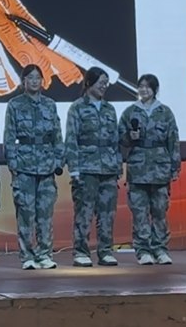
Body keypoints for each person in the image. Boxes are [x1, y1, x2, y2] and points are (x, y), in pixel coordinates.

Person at [4, 64, 64, 270]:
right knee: (26, 213)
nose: (34, 81)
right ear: (24, 82)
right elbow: (9, 137)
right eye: (30, 78)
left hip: (47, 166)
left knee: (45, 214)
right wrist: (13, 165)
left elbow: (57, 136)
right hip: (24, 165)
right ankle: (27, 255)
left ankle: (44, 254)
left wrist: (58, 161)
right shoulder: (15, 104)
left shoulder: (50, 104)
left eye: (38, 78)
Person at [119, 74, 181, 265]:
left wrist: (175, 167)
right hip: (138, 169)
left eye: (147, 87)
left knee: (160, 211)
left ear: (155, 90)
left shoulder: (165, 112)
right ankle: (143, 250)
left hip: (160, 169)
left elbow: (173, 140)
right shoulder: (130, 112)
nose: (143, 90)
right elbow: (120, 139)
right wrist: (130, 137)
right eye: (141, 86)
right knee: (139, 212)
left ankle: (160, 249)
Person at [64, 66, 122, 267]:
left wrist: (118, 166)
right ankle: (81, 252)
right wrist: (74, 168)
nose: (104, 87)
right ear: (89, 83)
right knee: (85, 212)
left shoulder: (109, 109)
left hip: (108, 168)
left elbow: (115, 141)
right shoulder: (77, 108)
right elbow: (71, 139)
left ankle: (105, 251)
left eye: (106, 83)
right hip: (86, 168)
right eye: (100, 83)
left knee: (107, 213)